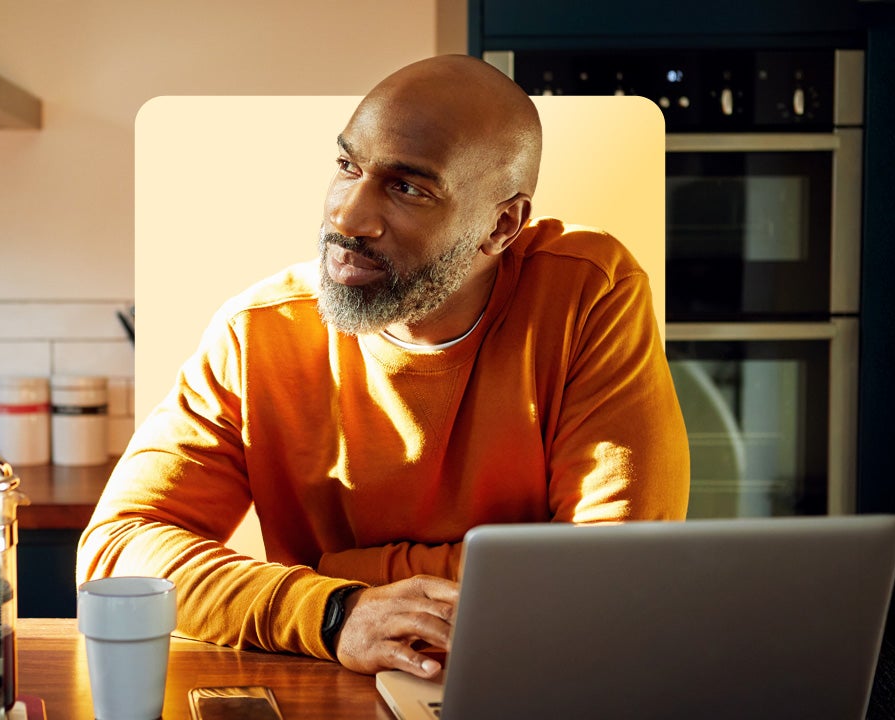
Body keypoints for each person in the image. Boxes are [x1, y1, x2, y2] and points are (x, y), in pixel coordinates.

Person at [77, 54, 689, 681]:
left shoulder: (588, 292)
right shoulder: (259, 331)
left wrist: (343, 571)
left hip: (533, 677)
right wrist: (336, 612)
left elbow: (617, 573)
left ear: (502, 226)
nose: (346, 217)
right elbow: (119, 551)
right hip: (330, 680)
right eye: (347, 166)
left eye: (408, 188)